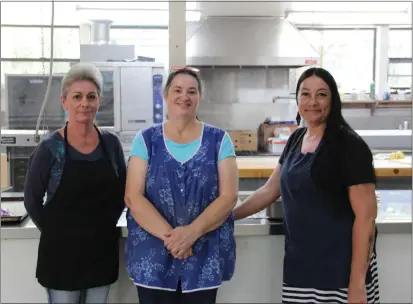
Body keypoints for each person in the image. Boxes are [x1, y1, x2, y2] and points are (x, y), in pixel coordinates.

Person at [233, 67, 380, 304]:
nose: (313, 102)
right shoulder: (295, 139)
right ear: (297, 99)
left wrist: (357, 282)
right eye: (305, 94)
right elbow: (270, 190)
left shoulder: (349, 146)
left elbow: (366, 218)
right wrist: (228, 216)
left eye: (322, 94)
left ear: (333, 100)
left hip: (340, 272)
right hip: (301, 267)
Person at [125, 68, 238, 304]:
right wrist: (175, 239)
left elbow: (228, 197)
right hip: (153, 259)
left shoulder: (219, 140)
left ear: (199, 97)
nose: (184, 96)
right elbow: (133, 198)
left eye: (191, 91)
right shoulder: (146, 140)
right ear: (165, 95)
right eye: (177, 90)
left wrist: (192, 233)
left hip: (203, 258)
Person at [24, 63, 126, 304]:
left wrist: (102, 226)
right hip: (60, 253)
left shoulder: (111, 145)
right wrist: (56, 232)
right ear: (64, 101)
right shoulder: (50, 148)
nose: (85, 103)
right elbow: (31, 199)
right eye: (77, 96)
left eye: (91, 96)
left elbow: (123, 191)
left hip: (101, 250)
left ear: (99, 101)